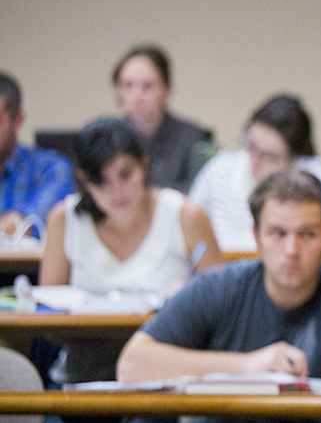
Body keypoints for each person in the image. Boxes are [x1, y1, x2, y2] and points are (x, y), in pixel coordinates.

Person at [116, 167, 321, 389]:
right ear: (256, 237)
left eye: (307, 234)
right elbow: (132, 365)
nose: (291, 250)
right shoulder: (219, 288)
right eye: (278, 233)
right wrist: (250, 366)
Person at [38, 117, 224, 385]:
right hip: (83, 373)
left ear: (144, 164)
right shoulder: (64, 219)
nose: (116, 191)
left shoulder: (185, 215)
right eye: (100, 181)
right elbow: (48, 319)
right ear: (83, 180)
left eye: (126, 175)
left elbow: (221, 305)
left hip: (170, 370)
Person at [189, 94, 321, 251]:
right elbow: (187, 226)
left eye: (267, 156)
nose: (253, 161)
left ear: (294, 160)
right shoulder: (221, 168)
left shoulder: (314, 180)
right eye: (251, 146)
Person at [112, 44, 214, 192]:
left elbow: (199, 195)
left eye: (147, 86)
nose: (137, 96)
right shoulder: (107, 140)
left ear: (167, 90)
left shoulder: (193, 139)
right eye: (128, 85)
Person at [0, 72, 75, 239]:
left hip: (29, 265)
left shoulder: (51, 167)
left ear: (18, 120)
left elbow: (28, 226)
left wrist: (15, 224)